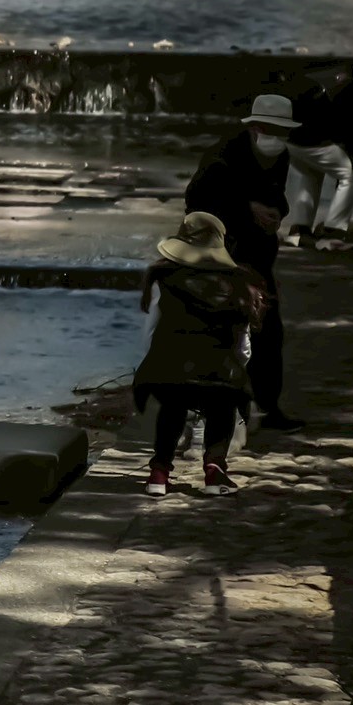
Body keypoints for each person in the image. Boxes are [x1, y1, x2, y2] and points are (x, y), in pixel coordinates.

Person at [185, 92, 305, 431]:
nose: (277, 138)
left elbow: (277, 197)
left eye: (283, 132)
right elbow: (196, 202)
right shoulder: (221, 157)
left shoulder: (279, 158)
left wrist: (276, 213)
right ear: (254, 128)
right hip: (219, 252)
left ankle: (268, 409)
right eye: (270, 130)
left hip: (258, 253)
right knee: (220, 333)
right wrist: (247, 210)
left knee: (268, 333)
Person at [134, 211, 253, 496]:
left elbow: (150, 332)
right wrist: (237, 370)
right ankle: (215, 472)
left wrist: (153, 365)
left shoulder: (164, 278)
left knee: (171, 407)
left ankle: (159, 474)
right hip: (220, 368)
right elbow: (244, 343)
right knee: (223, 407)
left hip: (172, 367)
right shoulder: (238, 283)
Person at [284, 66, 353, 243]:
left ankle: (300, 231)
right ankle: (333, 232)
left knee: (312, 172)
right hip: (307, 136)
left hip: (289, 136)